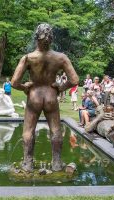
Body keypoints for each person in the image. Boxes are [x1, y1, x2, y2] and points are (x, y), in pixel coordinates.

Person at [11, 23, 79, 172]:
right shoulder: (60, 57)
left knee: (29, 130)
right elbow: (74, 80)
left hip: (34, 96)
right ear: (51, 39)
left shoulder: (28, 58)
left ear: (36, 37)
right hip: (51, 96)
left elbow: (14, 82)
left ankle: (28, 164)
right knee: (55, 130)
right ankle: (56, 163)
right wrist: (60, 88)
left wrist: (25, 87)